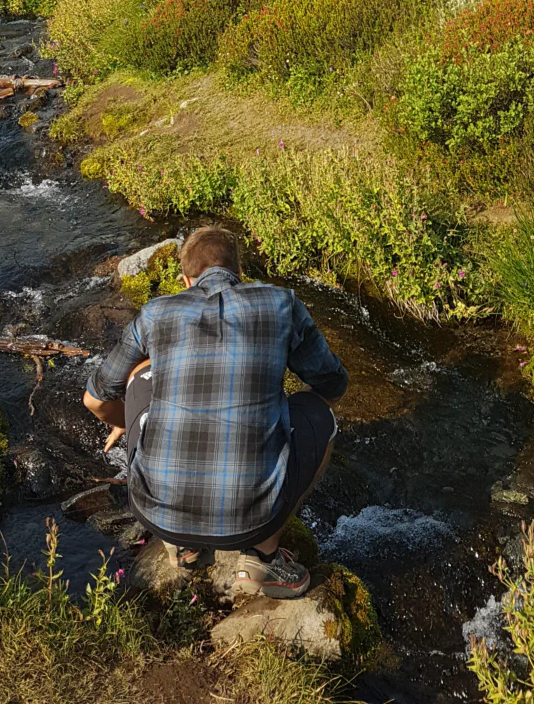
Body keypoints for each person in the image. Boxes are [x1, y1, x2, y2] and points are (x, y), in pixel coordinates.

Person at [83, 225, 348, 599]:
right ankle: (261, 558)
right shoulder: (281, 304)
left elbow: (94, 399)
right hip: (252, 517)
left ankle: (185, 548)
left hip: (157, 511)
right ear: (239, 272)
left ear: (185, 279)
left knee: (141, 372)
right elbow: (333, 384)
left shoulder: (156, 313)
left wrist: (128, 423)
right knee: (321, 415)